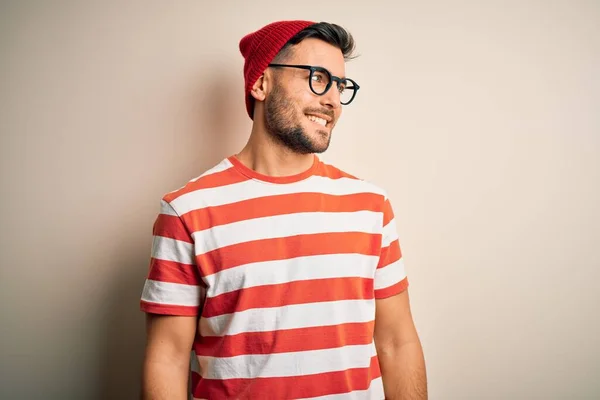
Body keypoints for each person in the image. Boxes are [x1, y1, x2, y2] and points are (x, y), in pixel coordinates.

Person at [140, 20, 427, 399]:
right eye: (318, 78)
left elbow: (397, 343)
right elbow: (168, 358)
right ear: (261, 82)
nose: (333, 101)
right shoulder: (188, 211)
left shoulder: (370, 207)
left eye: (340, 86)